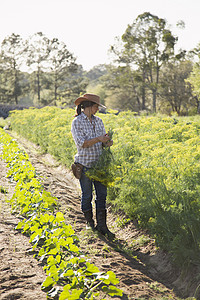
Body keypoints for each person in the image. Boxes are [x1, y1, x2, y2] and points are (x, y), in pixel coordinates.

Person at [71, 93, 115, 239]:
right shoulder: (77, 122)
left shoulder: (99, 121)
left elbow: (102, 141)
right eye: (96, 106)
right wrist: (98, 139)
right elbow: (82, 143)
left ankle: (102, 226)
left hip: (99, 166)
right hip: (84, 165)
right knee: (87, 195)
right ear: (89, 106)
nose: (98, 109)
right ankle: (90, 224)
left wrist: (106, 142)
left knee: (102, 196)